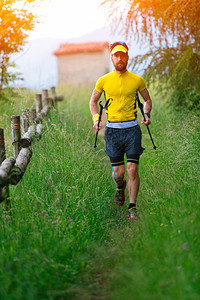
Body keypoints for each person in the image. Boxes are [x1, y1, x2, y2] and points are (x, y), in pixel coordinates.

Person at [89, 41, 152, 219]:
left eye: (122, 55)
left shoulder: (137, 80)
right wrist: (96, 119)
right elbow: (93, 102)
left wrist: (146, 114)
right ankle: (119, 185)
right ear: (112, 58)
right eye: (116, 56)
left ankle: (132, 208)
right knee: (120, 173)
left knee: (132, 170)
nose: (119, 58)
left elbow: (147, 100)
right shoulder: (103, 80)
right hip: (112, 131)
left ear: (127, 57)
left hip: (132, 129)